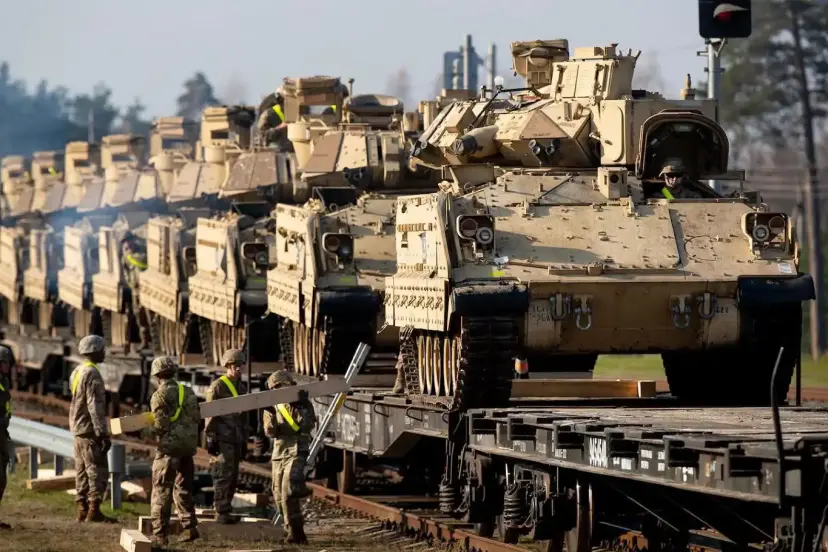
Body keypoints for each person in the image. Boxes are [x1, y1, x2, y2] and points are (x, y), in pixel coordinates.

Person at [148, 356, 201, 547]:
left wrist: (146, 430)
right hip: (188, 447)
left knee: (162, 490)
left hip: (169, 450)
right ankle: (189, 527)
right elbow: (197, 417)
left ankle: (160, 535)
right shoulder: (187, 391)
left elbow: (160, 426)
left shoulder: (159, 395)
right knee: (184, 488)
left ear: (157, 375)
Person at [263, 370, 316, 544]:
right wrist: (270, 415)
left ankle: (296, 532)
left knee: (288, 489)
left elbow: (307, 426)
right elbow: (270, 432)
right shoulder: (273, 404)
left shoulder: (302, 403)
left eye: (280, 386)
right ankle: (291, 531)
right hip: (280, 452)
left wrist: (302, 407)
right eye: (275, 388)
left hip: (296, 449)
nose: (277, 390)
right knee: (278, 494)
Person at [69, 335, 115, 523]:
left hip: (77, 428)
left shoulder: (77, 371)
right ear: (95, 351)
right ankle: (94, 511)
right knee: (97, 470)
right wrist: (102, 433)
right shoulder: (93, 374)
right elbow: (94, 406)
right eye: (102, 349)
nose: (104, 352)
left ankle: (82, 509)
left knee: (81, 471)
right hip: (89, 430)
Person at [205, 348, 248, 524]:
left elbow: (244, 417)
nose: (238, 369)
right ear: (227, 366)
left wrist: (244, 440)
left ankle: (226, 509)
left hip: (235, 438)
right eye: (234, 365)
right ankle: (221, 511)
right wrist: (210, 438)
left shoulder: (241, 388)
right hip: (222, 438)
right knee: (223, 475)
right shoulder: (218, 387)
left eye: (240, 365)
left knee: (233, 476)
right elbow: (210, 414)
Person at [121, 233, 150, 350]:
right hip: (136, 290)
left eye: (128, 242)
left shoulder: (141, 254)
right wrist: (130, 284)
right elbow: (126, 273)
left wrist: (129, 257)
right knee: (139, 316)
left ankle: (152, 340)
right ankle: (145, 340)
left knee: (148, 316)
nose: (127, 246)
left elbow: (143, 264)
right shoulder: (126, 257)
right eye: (125, 244)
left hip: (146, 289)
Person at [0, 346, 13, 530]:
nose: (8, 366)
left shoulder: (4, 382)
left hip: (2, 432)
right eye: (5, 362)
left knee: (1, 479)